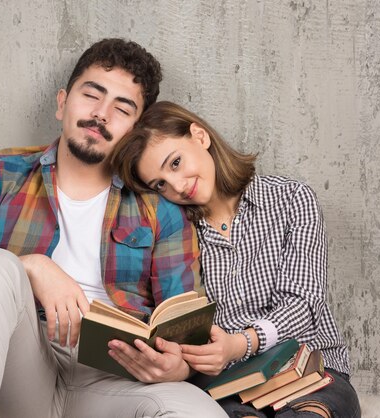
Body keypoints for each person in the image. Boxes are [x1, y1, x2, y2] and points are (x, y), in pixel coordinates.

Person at [0, 40, 227, 418]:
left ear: (135, 132)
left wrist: (175, 366)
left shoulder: (160, 208)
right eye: (92, 95)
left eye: (122, 108)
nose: (101, 114)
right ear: (62, 102)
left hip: (117, 382)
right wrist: (32, 268)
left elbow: (182, 330)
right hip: (19, 371)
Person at [110, 101, 361, 418]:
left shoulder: (292, 198)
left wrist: (241, 343)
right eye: (160, 184)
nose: (177, 186)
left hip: (310, 373)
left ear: (199, 136)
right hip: (228, 387)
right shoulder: (177, 237)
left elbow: (303, 305)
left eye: (175, 163)